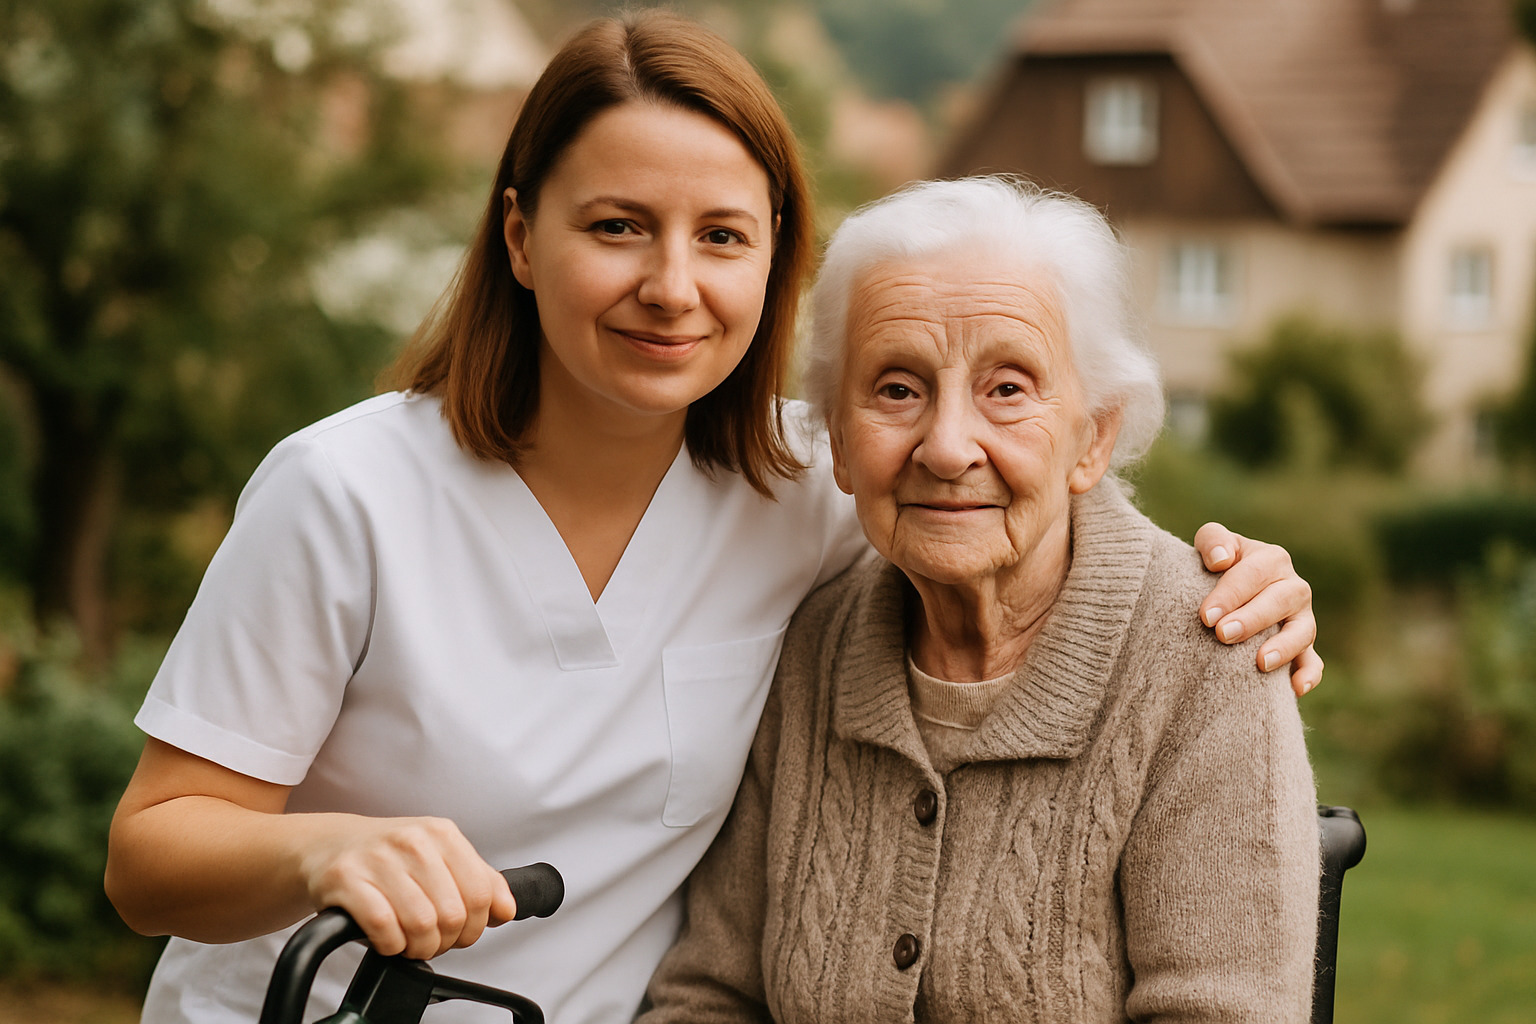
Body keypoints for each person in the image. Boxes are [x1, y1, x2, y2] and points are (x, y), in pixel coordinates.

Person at [104, 12, 1320, 1024]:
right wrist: (325, 852)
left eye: (722, 237)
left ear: (774, 259)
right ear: (520, 236)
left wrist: (1232, 586)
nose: (672, 286)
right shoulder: (345, 491)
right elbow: (149, 857)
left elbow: (1020, 487)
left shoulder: (810, 485)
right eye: (617, 227)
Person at [639, 177, 1319, 1022]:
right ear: (838, 442)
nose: (948, 446)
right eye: (897, 389)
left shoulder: (1206, 657)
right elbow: (710, 995)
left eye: (1007, 389)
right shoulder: (813, 643)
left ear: (1093, 435)